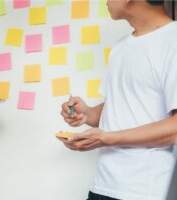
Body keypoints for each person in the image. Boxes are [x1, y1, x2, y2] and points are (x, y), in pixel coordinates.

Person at [58, 0, 177, 199]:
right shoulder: (121, 46)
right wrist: (86, 113)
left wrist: (106, 138)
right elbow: (122, 108)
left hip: (143, 191)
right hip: (103, 185)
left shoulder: (173, 41)